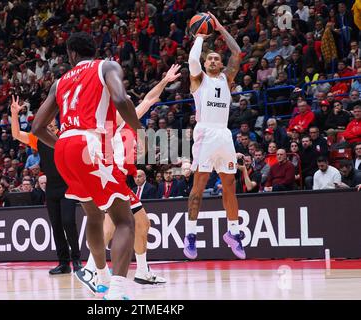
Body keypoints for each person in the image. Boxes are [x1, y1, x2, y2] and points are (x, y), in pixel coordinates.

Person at [32, 32, 143, 300]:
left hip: (64, 150)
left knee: (93, 215)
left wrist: (61, 143)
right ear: (95, 50)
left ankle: (102, 279)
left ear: (71, 54)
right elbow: (120, 99)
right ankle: (116, 292)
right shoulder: (107, 66)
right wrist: (138, 128)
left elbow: (36, 126)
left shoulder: (59, 82)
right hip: (90, 142)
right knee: (125, 220)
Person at [76, 64, 182, 292]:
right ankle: (91, 268)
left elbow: (149, 99)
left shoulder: (124, 117)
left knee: (142, 223)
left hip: (117, 179)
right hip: (108, 177)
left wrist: (164, 80)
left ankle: (142, 272)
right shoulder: (108, 123)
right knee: (113, 223)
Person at [184, 13, 246, 260]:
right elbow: (191, 59)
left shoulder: (226, 78)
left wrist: (220, 28)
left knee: (229, 185)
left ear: (221, 65)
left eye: (215, 58)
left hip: (224, 134)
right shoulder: (198, 80)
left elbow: (238, 52)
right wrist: (199, 37)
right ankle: (190, 234)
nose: (211, 60)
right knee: (199, 185)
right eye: (208, 58)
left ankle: (233, 232)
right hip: (205, 132)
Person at [11, 96, 82, 275]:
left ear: (56, 126)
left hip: (68, 186)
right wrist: (14, 115)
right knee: (56, 226)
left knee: (68, 222)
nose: (48, 127)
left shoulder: (65, 137)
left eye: (51, 124)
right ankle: (63, 263)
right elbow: (16, 135)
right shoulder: (38, 139)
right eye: (45, 124)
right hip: (51, 188)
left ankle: (77, 261)